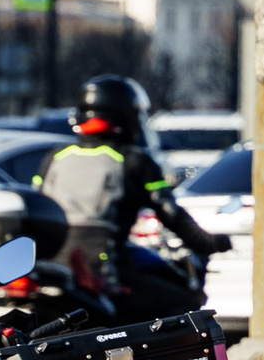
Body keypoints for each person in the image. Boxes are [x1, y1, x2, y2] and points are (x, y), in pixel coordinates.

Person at [34, 74, 230, 321]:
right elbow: (171, 214)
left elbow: (37, 203)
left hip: (50, 272)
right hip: (103, 274)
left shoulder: (54, 158)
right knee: (182, 300)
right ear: (126, 116)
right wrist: (209, 242)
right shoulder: (133, 162)